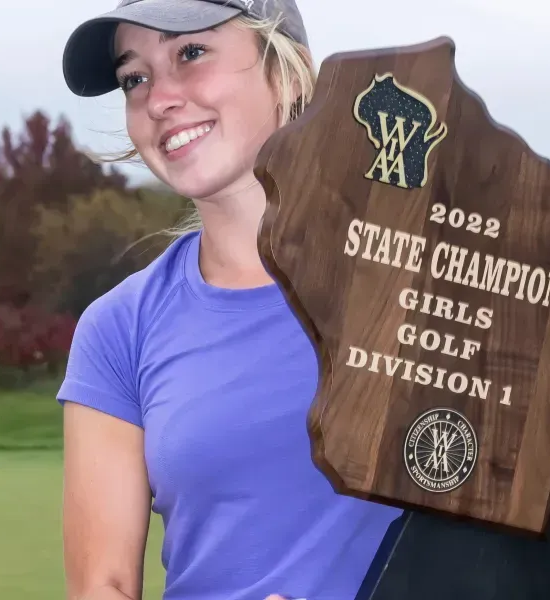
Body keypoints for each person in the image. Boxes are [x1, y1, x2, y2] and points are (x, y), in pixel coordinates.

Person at [57, 1, 403, 599]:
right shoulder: (118, 330)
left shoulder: (430, 276)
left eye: (190, 53)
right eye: (133, 78)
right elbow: (102, 587)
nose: (159, 98)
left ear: (285, 70)